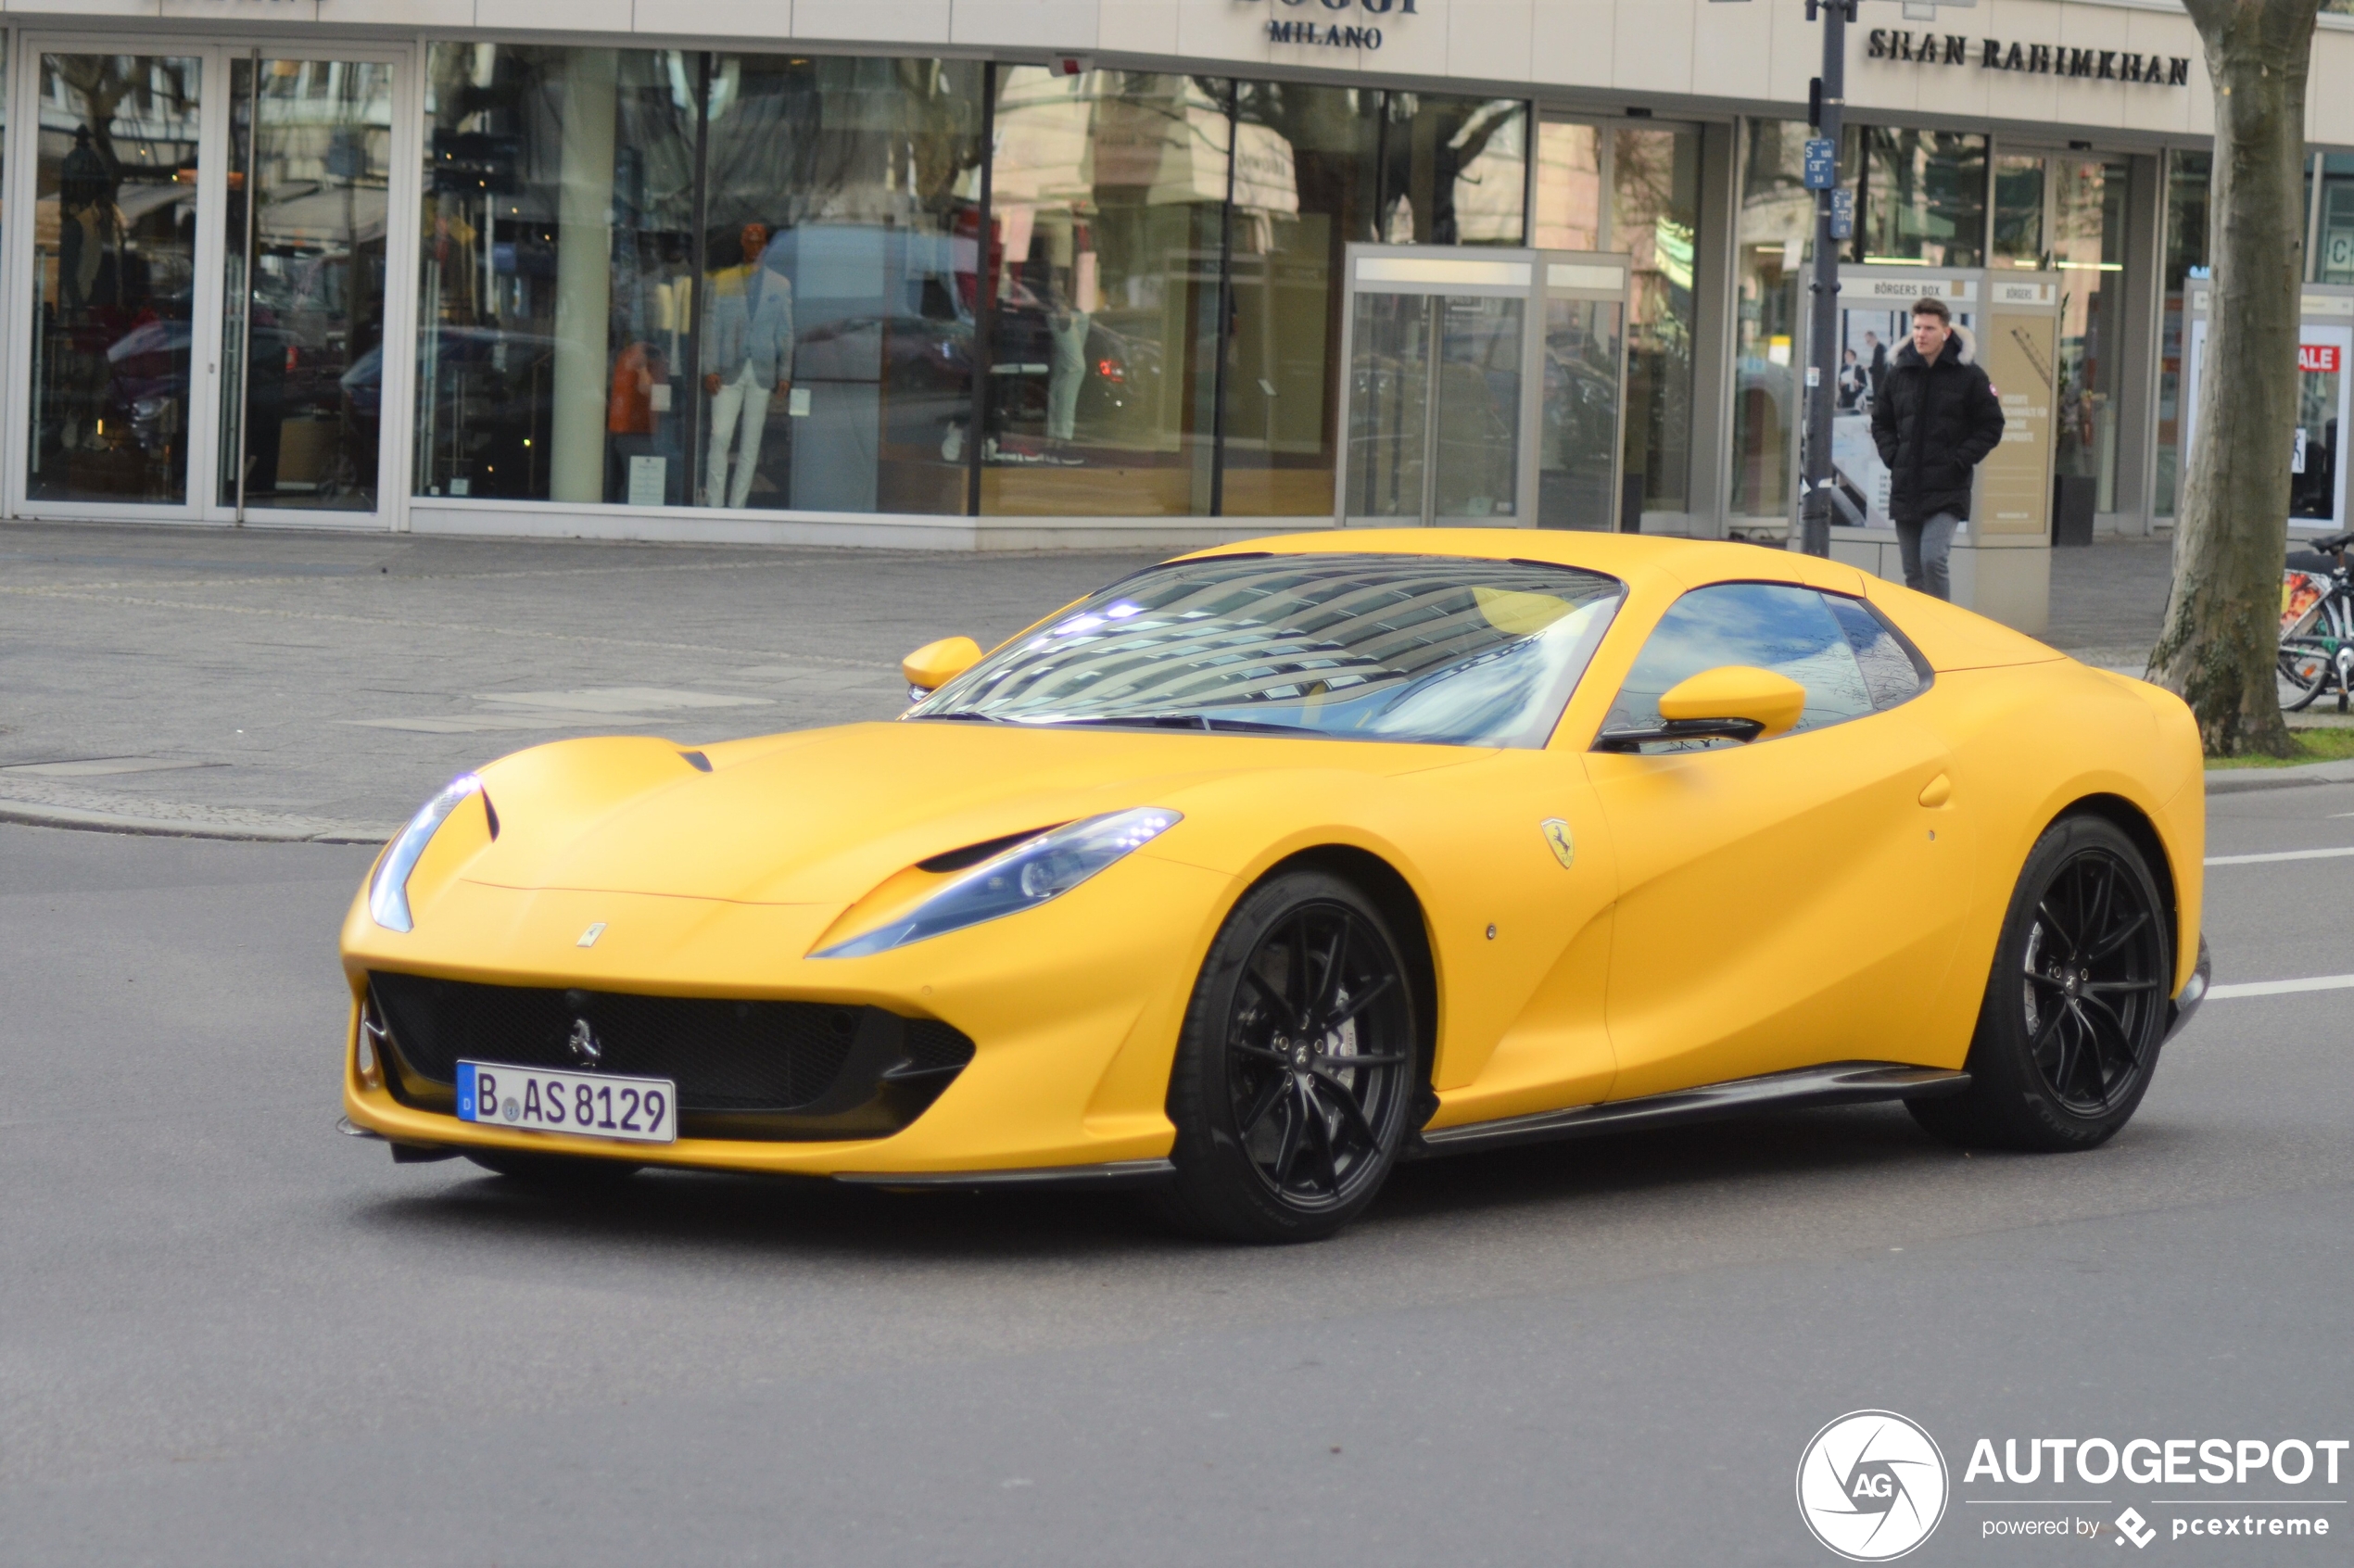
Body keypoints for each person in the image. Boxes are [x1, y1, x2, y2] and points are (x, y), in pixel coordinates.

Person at [1869, 296, 2005, 601]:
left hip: (1948, 488)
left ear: (1945, 332)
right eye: (1917, 327)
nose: (1921, 334)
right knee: (1913, 571)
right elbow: (1881, 422)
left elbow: (1992, 425)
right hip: (1907, 485)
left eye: (1929, 328)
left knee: (1933, 559)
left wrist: (1960, 459)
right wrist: (1894, 456)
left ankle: (1945, 630)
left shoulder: (1969, 376)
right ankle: (1921, 637)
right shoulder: (1899, 374)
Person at [702, 221, 796, 509]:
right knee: (720, 437)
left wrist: (784, 372)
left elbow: (785, 331)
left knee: (751, 444)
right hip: (728, 368)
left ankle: (737, 507)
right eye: (750, 241)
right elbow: (711, 326)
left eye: (759, 241)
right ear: (742, 243)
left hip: (762, 370)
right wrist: (709, 367)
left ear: (765, 245)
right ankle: (715, 505)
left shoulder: (780, 285)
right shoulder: (723, 280)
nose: (755, 246)